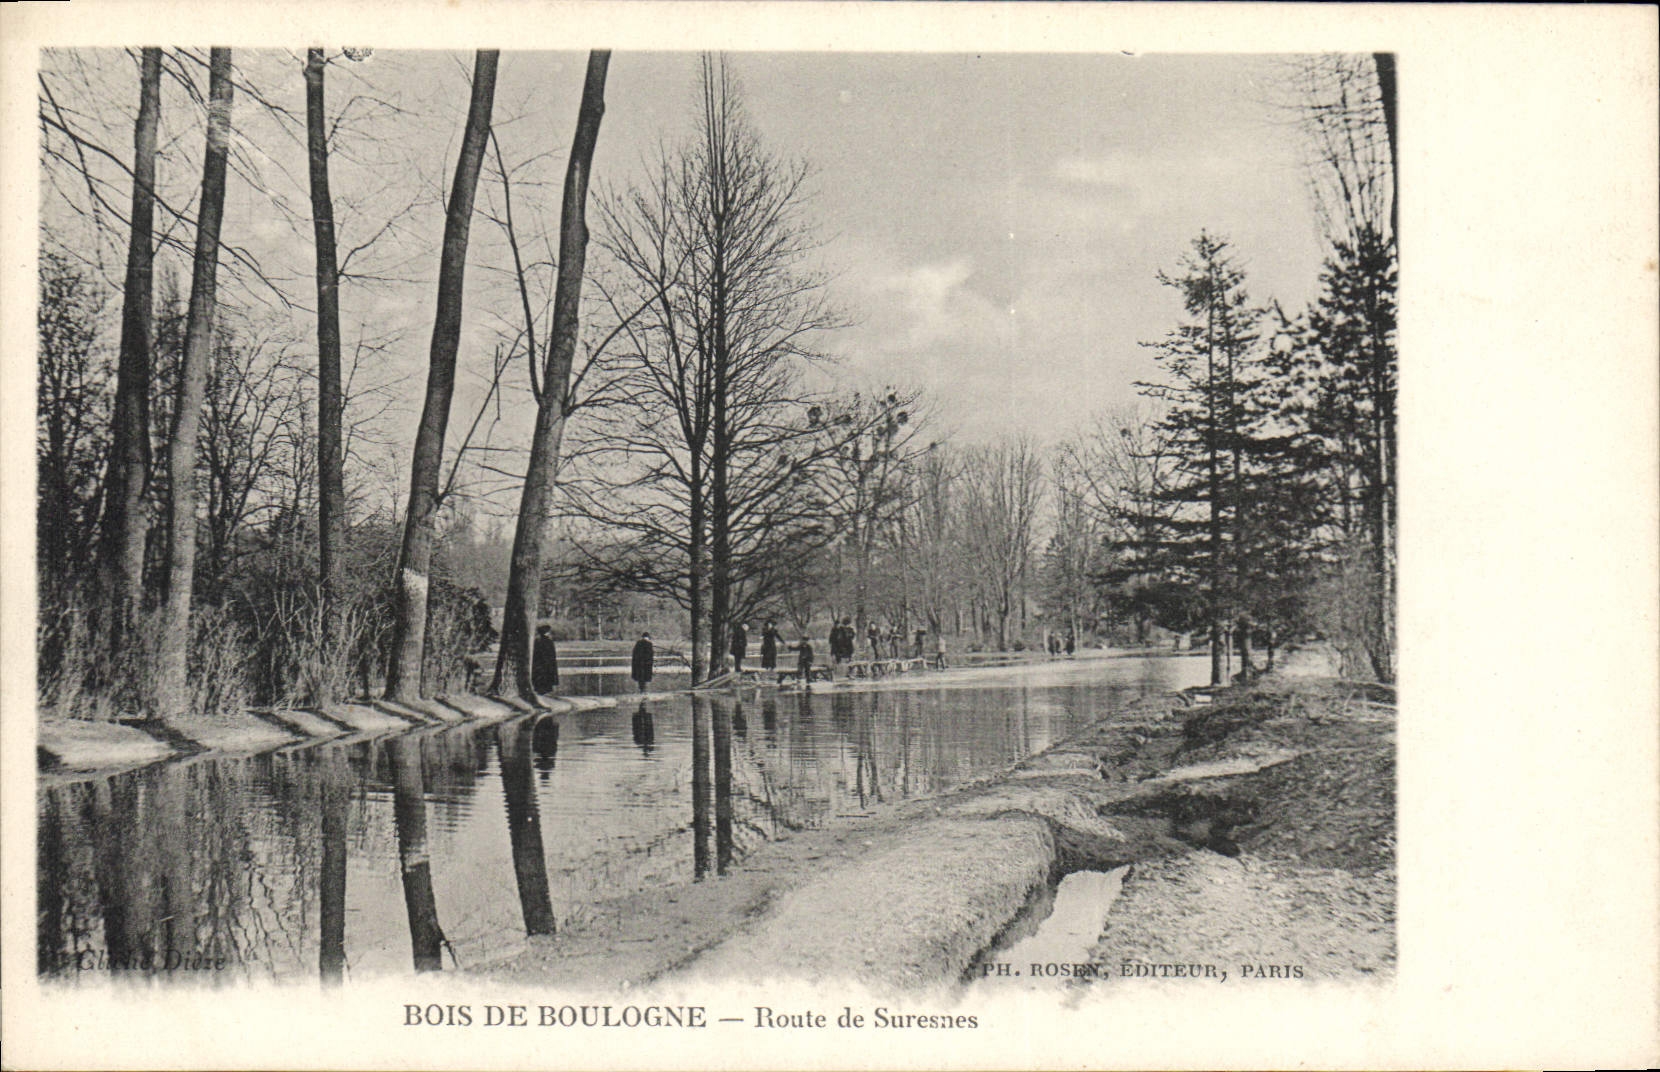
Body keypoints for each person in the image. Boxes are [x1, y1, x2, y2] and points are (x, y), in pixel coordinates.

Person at [532, 624, 559, 695]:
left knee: (539, 678)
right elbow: (552, 655)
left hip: (538, 665)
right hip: (547, 664)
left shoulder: (536, 641)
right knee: (546, 678)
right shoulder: (549, 641)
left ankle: (539, 690)